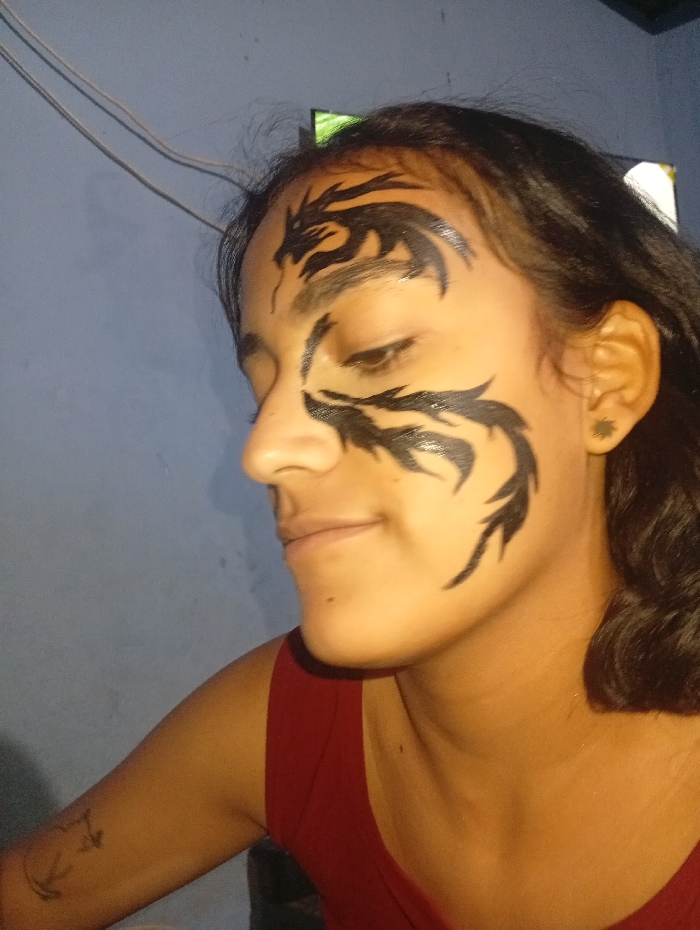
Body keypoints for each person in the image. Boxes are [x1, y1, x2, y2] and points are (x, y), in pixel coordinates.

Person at [3, 101, 700, 930]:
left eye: (374, 352)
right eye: (262, 388)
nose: (264, 450)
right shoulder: (288, 718)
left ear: (606, 381)